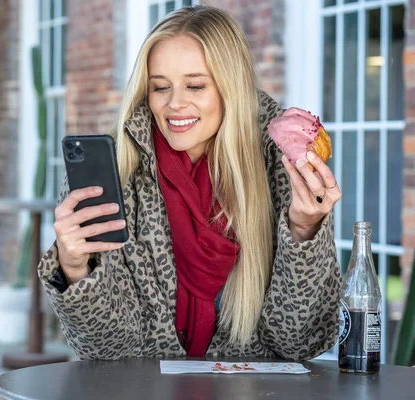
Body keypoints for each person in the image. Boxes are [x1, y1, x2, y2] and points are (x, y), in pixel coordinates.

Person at [38, 5, 341, 361]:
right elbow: (108, 349)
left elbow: (298, 343)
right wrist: (74, 268)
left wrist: (304, 231)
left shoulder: (279, 165)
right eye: (160, 87)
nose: (174, 104)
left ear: (233, 87)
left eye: (195, 86)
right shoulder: (116, 169)